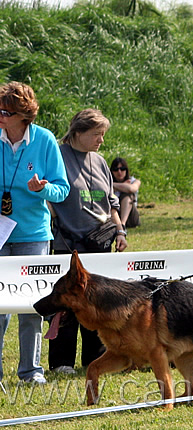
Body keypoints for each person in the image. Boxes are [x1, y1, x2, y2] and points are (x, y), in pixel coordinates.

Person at [48, 109, 128, 375]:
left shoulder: (101, 160)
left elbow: (111, 203)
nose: (101, 141)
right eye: (96, 135)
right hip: (68, 243)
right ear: (78, 132)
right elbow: (49, 197)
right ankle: (61, 362)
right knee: (67, 302)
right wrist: (61, 225)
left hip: (100, 243)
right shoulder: (57, 156)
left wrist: (119, 232)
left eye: (102, 135)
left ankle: (94, 358)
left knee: (97, 303)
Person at [0, 82, 69, 385]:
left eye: (6, 111)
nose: (0, 115)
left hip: (33, 233)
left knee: (31, 304)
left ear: (23, 115)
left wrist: (44, 189)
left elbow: (62, 189)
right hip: (0, 232)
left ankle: (30, 371)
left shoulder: (44, 140)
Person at [111, 157, 141, 230]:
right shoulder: (107, 181)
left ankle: (122, 225)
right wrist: (123, 186)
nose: (119, 172)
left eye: (122, 169)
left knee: (127, 195)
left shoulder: (134, 181)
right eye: (116, 169)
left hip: (131, 218)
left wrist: (113, 186)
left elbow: (131, 189)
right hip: (113, 216)